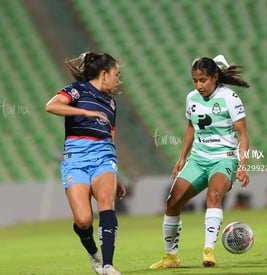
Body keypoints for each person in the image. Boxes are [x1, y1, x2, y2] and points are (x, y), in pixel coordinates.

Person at [150, 55, 250, 269]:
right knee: (172, 201)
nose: (199, 85)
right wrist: (182, 157)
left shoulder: (230, 98)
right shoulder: (191, 98)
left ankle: (208, 252)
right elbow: (190, 127)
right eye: (195, 80)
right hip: (198, 158)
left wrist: (242, 165)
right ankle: (171, 257)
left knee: (213, 195)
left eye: (203, 80)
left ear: (215, 77)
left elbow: (243, 134)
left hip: (224, 158)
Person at [45, 51, 126, 275]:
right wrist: (84, 112)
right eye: (116, 74)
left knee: (106, 205)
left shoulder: (111, 103)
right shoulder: (77, 90)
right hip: (76, 160)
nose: (118, 79)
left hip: (104, 159)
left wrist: (115, 174)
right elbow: (51, 106)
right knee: (83, 220)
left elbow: (111, 137)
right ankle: (95, 256)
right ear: (103, 73)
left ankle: (108, 265)